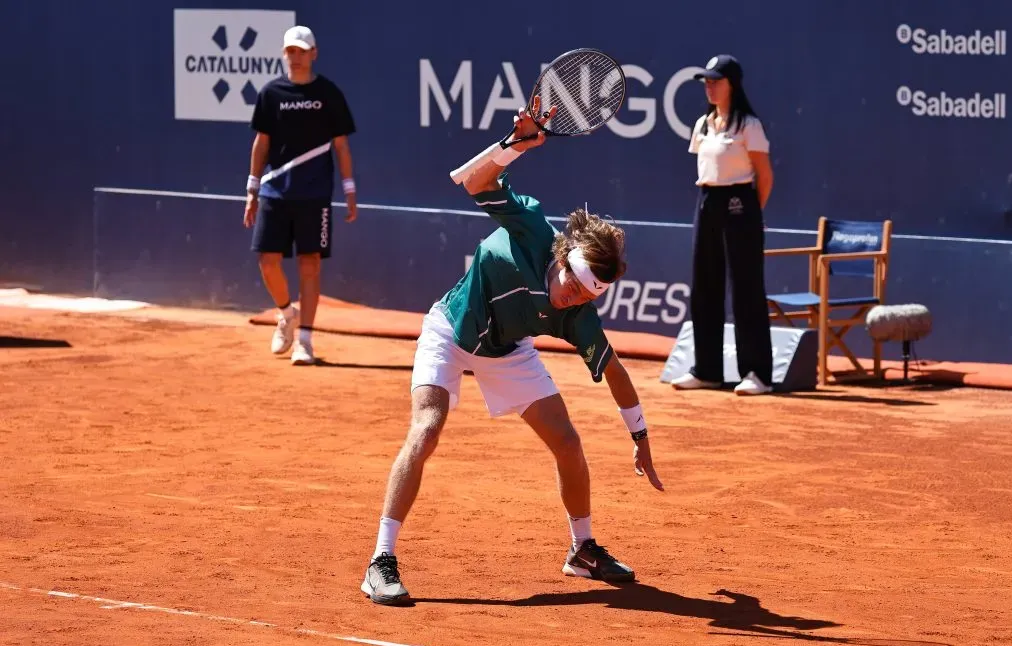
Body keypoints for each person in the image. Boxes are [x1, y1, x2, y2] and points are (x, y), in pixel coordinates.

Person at [360, 97, 664, 606]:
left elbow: (614, 370)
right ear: (563, 257)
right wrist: (512, 146)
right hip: (451, 330)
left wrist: (640, 434)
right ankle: (381, 561)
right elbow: (474, 182)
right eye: (572, 285)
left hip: (506, 351)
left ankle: (582, 549)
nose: (573, 297)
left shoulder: (577, 315)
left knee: (567, 441)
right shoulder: (532, 229)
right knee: (427, 428)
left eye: (587, 296)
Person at [242, 25, 357, 365]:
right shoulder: (270, 93)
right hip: (274, 189)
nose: (295, 57)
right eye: (290, 51)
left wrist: (349, 190)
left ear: (313, 54)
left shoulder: (329, 94)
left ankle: (305, 340)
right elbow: (261, 143)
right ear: (285, 54)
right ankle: (286, 313)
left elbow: (341, 146)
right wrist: (252, 187)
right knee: (267, 260)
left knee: (310, 264)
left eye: (301, 51)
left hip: (314, 193)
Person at [671, 54, 775, 396]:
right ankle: (707, 370)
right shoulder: (702, 124)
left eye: (717, 81)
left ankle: (757, 373)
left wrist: (747, 213)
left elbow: (765, 176)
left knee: (746, 291)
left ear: (733, 84)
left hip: (740, 205)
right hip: (707, 203)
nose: (710, 87)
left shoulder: (749, 125)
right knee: (704, 288)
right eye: (707, 82)